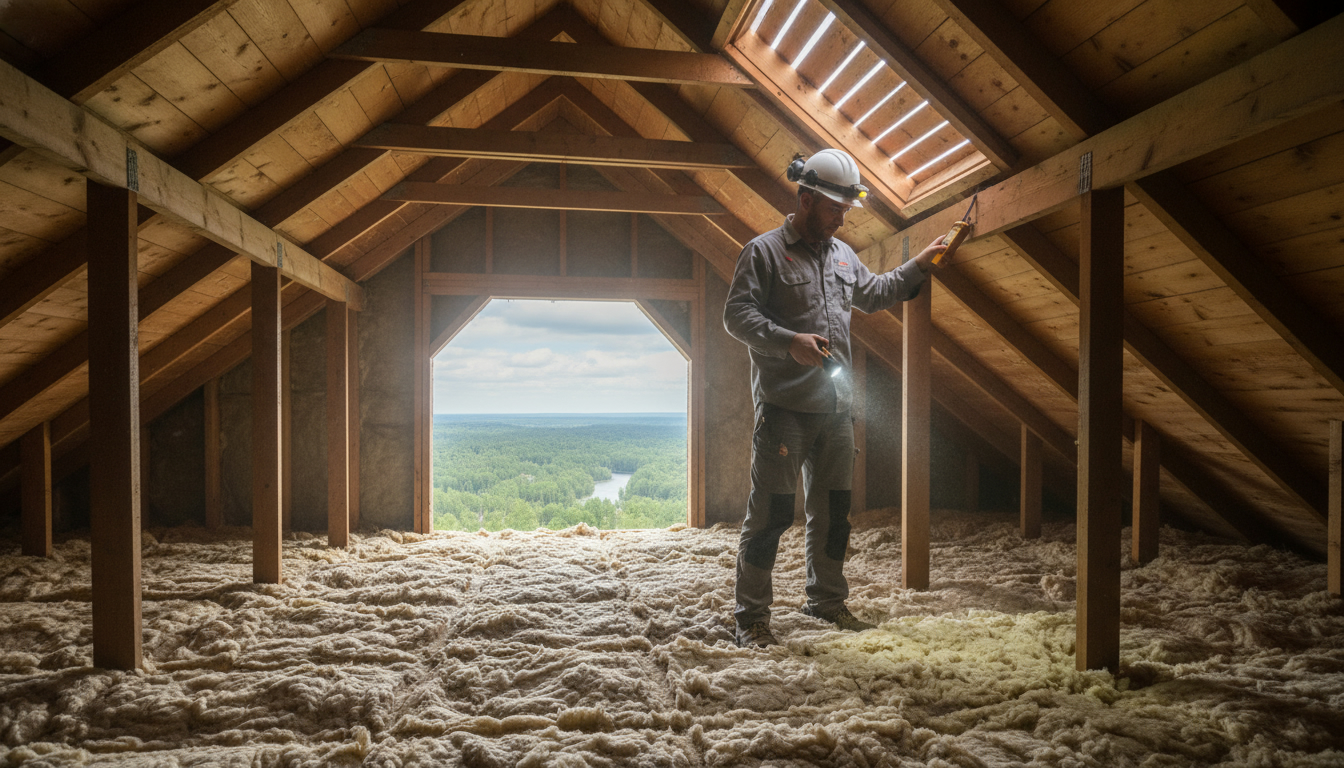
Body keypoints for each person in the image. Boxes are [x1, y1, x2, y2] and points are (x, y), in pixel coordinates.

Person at [723, 148, 948, 648]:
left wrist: (922, 261)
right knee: (771, 516)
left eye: (846, 209)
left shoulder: (844, 256)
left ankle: (825, 602)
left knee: (834, 514)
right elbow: (735, 316)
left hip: (836, 413)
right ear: (805, 200)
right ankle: (751, 618)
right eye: (833, 209)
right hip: (784, 412)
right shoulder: (762, 252)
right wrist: (788, 341)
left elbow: (876, 293)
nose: (842, 218)